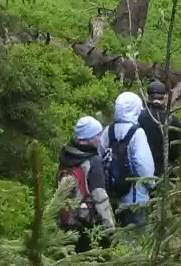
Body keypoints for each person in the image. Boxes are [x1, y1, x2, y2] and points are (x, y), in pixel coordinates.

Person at [55, 116, 115, 253]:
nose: (100, 138)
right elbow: (100, 197)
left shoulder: (66, 155)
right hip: (87, 224)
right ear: (88, 137)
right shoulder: (93, 161)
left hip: (66, 219)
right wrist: (110, 230)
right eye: (97, 135)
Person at [99, 92, 155, 227]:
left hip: (113, 194)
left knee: (118, 232)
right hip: (135, 196)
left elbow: (100, 156)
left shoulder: (108, 130)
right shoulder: (137, 133)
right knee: (137, 236)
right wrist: (151, 184)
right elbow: (143, 165)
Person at [139, 81, 181, 184]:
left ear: (146, 96)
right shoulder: (172, 119)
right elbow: (176, 150)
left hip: (141, 174)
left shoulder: (139, 117)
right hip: (165, 173)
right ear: (166, 97)